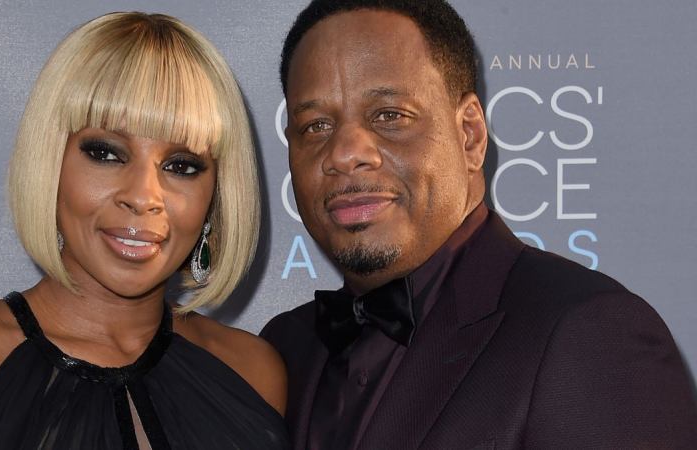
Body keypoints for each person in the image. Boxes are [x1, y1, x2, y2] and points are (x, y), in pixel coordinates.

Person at [261, 1, 697, 448]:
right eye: (315, 126)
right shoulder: (278, 353)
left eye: (389, 115)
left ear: (470, 135)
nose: (344, 153)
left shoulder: (589, 334)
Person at [0, 12, 288, 450]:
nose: (142, 196)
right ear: (50, 162)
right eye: (106, 154)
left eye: (181, 166)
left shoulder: (252, 371)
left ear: (215, 196)